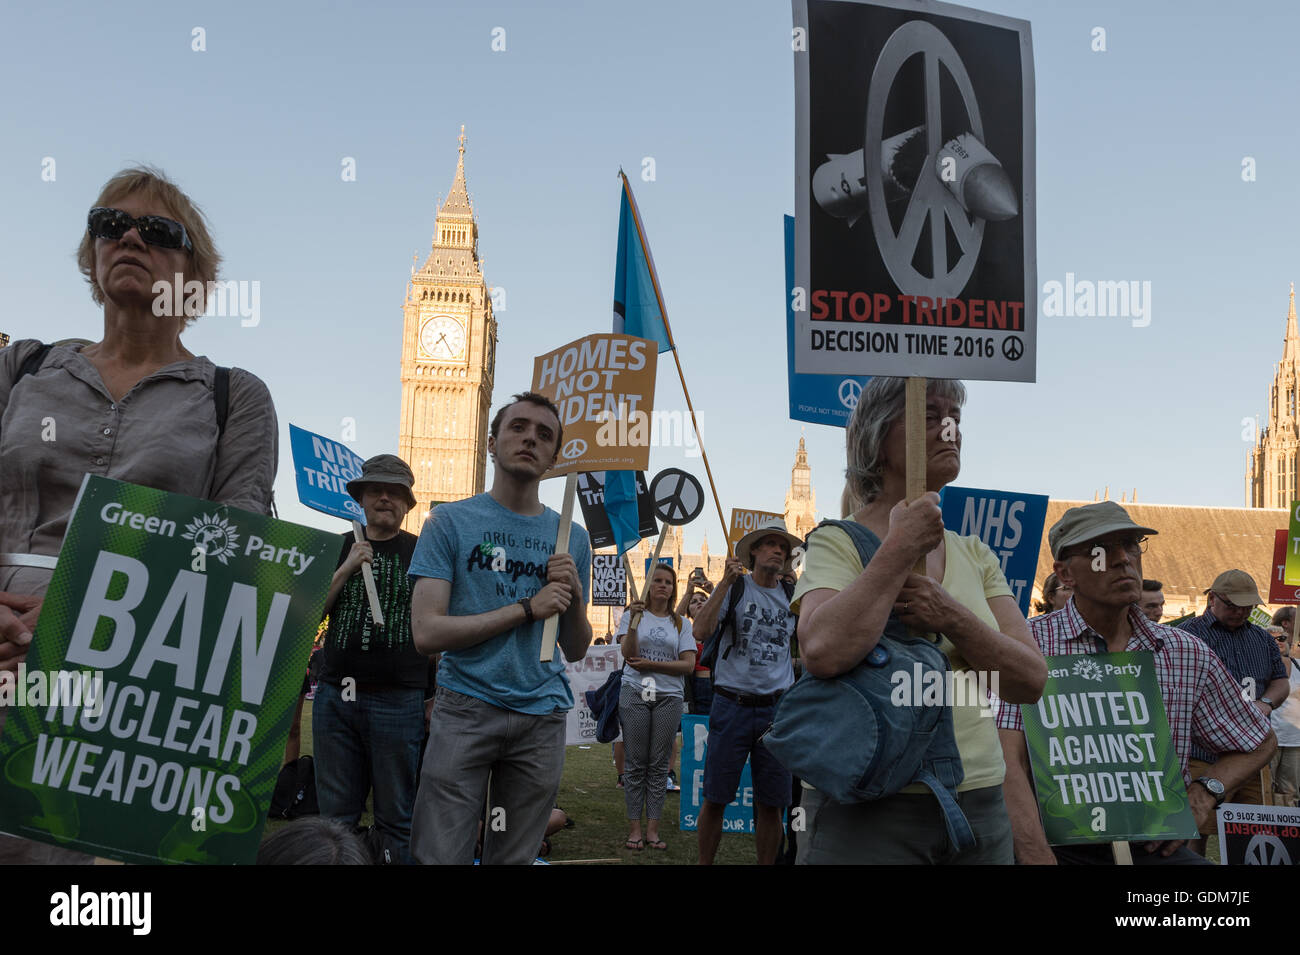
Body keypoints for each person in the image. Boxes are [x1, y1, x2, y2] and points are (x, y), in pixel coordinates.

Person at [0, 166, 277, 865]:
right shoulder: (21, 367)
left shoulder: (232, 398)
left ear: (196, 273)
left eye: (158, 231)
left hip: (130, 682)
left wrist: (68, 625)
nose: (128, 235)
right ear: (91, 254)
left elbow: (236, 552)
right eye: (108, 223)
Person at [792, 376, 1046, 864]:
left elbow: (1029, 679)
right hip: (869, 801)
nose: (949, 429)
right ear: (877, 438)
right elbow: (821, 650)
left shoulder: (975, 553)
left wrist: (952, 617)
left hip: (978, 800)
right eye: (930, 416)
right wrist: (899, 548)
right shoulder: (836, 542)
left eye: (955, 418)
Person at [998, 502, 1276, 864]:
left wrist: (1206, 790)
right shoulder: (1026, 645)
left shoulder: (1184, 652)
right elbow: (1006, 759)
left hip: (1152, 845)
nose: (1122, 560)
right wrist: (1034, 851)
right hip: (1054, 844)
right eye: (1099, 551)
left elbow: (1259, 740)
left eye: (1131, 545)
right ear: (1065, 574)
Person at [408, 392, 592, 865]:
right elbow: (427, 634)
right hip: (466, 708)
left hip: (542, 717)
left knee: (514, 857)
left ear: (554, 458)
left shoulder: (572, 535)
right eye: (518, 427)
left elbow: (574, 648)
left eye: (544, 434)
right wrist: (526, 608)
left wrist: (569, 597)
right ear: (491, 442)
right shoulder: (449, 521)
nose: (530, 437)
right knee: (439, 853)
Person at [313, 454, 424, 865]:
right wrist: (345, 569)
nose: (384, 497)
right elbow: (310, 613)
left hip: (399, 700)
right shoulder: (339, 546)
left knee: (396, 817)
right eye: (375, 490)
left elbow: (436, 622)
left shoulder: (422, 551)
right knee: (336, 820)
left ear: (407, 503)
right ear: (360, 499)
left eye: (395, 492)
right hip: (335, 699)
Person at [690, 517, 803, 865]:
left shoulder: (792, 597)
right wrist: (724, 583)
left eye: (783, 548)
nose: (778, 551)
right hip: (731, 706)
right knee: (715, 797)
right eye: (771, 544)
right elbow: (700, 630)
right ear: (753, 551)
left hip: (776, 712)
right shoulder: (736, 588)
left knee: (773, 803)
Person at [1178, 570, 1288, 815]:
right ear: (1213, 598)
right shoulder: (1186, 637)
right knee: (1197, 827)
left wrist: (1266, 703)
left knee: (1253, 825)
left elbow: (1280, 681)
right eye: (1233, 606)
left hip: (1253, 754)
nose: (1240, 612)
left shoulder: (1263, 639)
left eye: (1247, 607)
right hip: (1202, 754)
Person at [615, 562, 696, 850]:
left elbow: (688, 664)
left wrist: (652, 665)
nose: (663, 585)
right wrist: (634, 623)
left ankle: (653, 829)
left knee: (660, 765)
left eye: (669, 582)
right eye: (658, 580)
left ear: (674, 589)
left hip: (668, 697)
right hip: (636, 691)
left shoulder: (681, 623)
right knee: (635, 763)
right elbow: (628, 654)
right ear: (648, 585)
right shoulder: (631, 616)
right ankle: (635, 828)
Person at [1269, 624, 1300, 806]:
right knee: (1267, 788)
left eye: (1281, 638)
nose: (1278, 642)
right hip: (1269, 739)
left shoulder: (1298, 666)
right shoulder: (1262, 666)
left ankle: (1289, 831)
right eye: (1272, 639)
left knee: (1291, 790)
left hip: (1295, 740)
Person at [678, 572, 715, 715]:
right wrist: (688, 593)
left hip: (719, 688)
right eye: (693, 602)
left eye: (703, 599)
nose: (699, 602)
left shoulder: (719, 627)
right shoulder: (686, 633)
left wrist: (713, 591)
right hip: (695, 689)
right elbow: (675, 621)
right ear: (689, 612)